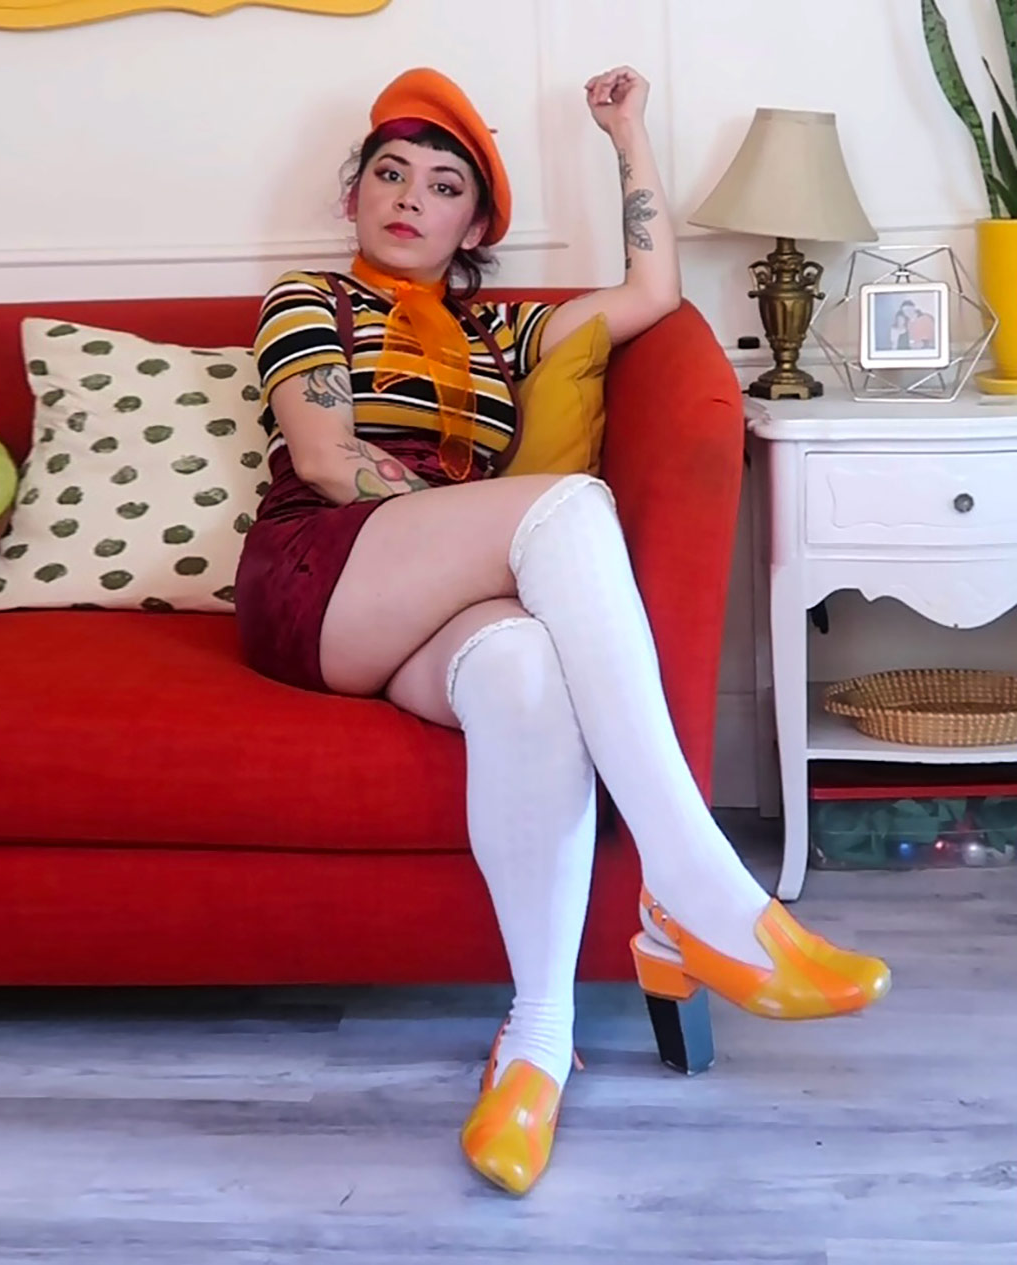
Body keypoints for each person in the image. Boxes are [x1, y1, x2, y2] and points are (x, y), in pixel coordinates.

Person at [235, 66, 891, 1197]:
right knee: (569, 506)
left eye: (443, 185)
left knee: (526, 672)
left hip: (444, 600)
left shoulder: (507, 334)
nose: (410, 196)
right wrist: (491, 533)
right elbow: (329, 461)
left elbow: (651, 290)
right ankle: (700, 888)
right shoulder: (311, 299)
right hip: (323, 572)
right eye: (389, 173)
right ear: (355, 197)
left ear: (474, 226)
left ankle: (535, 1040)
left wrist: (626, 133)